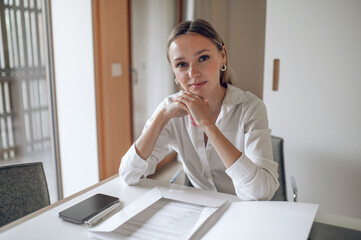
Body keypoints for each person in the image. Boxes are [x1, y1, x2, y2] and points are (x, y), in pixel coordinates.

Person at [119, 19, 279, 200]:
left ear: (223, 56)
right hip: (201, 212)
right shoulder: (170, 109)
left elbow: (261, 192)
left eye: (203, 58)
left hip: (245, 212)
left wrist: (207, 125)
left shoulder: (250, 108)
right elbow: (128, 175)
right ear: (174, 72)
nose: (193, 73)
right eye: (181, 64)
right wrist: (162, 116)